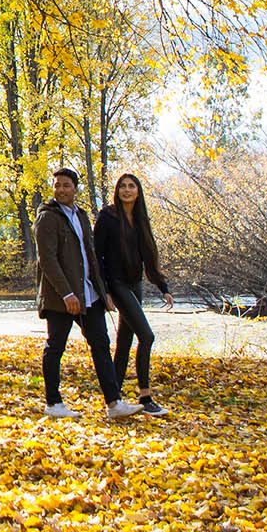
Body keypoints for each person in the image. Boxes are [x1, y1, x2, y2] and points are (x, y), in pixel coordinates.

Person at [34, 166, 138, 420]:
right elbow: (47, 259)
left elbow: (90, 256)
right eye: (57, 185)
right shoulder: (47, 217)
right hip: (61, 297)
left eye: (66, 185)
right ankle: (53, 403)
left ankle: (114, 403)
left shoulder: (81, 215)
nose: (60, 190)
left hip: (88, 294)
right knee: (55, 346)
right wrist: (67, 293)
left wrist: (103, 293)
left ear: (75, 189)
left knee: (101, 345)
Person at [95, 172, 172, 416]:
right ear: (117, 191)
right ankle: (145, 396)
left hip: (134, 283)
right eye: (123, 187)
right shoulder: (108, 216)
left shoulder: (140, 219)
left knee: (125, 342)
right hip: (116, 283)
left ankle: (114, 400)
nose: (127, 190)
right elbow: (97, 256)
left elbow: (149, 257)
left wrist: (163, 288)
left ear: (138, 192)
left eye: (132, 186)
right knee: (147, 336)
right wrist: (104, 290)